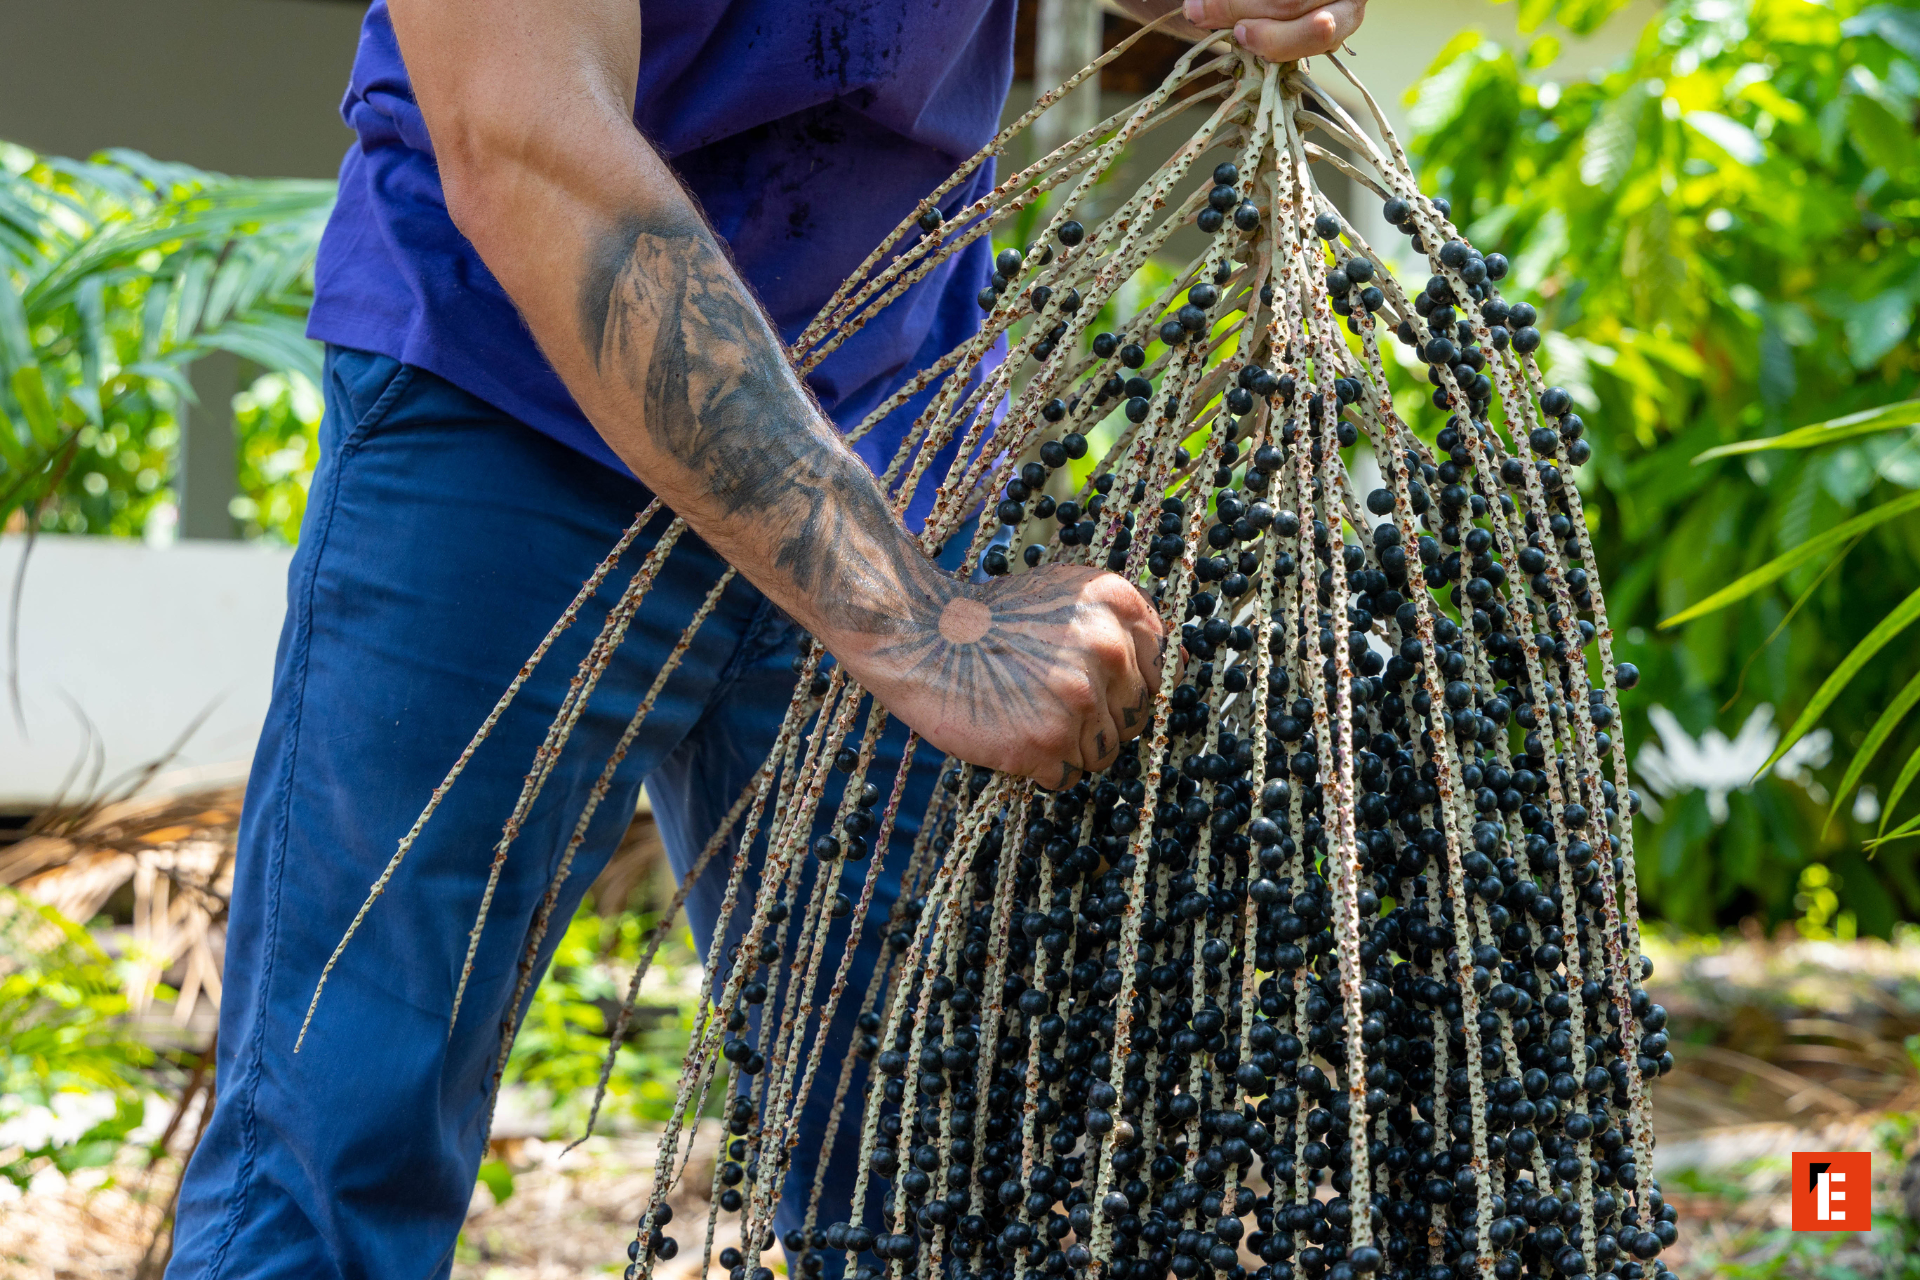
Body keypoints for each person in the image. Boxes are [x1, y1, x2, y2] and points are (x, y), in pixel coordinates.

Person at [167, 0, 1367, 1275]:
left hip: (903, 391)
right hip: (511, 393)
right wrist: (910, 615)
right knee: (334, 1153)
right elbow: (522, 132)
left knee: (940, 1182)